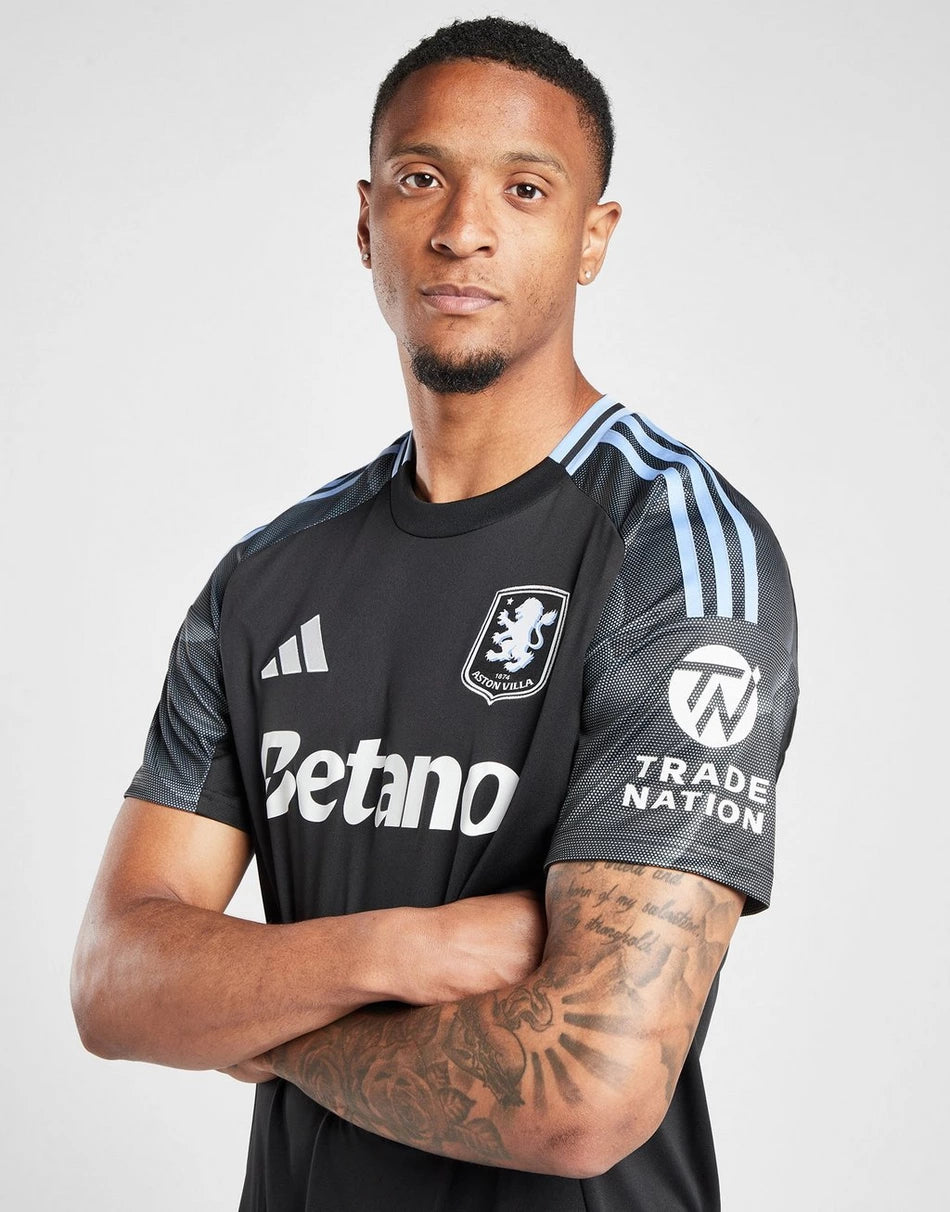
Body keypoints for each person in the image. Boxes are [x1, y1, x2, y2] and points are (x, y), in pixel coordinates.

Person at [71, 16, 798, 1212]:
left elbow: (587, 1091)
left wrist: (265, 1029)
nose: (463, 228)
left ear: (591, 237)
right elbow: (112, 983)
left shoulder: (675, 553)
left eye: (524, 188)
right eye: (421, 179)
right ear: (365, 221)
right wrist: (398, 949)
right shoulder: (267, 577)